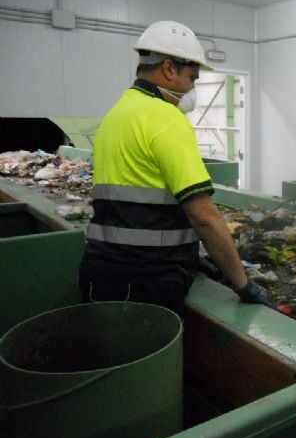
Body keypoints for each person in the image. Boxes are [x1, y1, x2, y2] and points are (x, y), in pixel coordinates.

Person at [79, 20, 273, 315]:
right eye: (192, 78)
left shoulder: (116, 114)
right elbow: (204, 217)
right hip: (146, 281)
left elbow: (134, 201)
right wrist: (243, 284)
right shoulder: (166, 118)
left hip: (101, 271)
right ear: (169, 69)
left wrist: (191, 255)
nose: (192, 87)